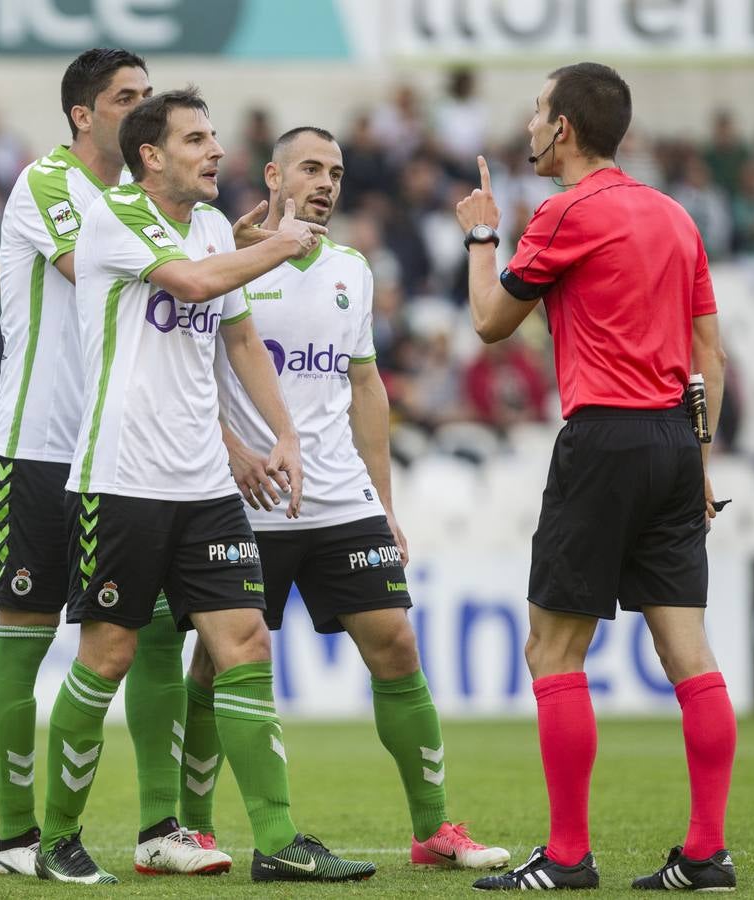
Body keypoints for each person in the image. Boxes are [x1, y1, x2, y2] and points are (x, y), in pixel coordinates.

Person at [33, 87, 376, 885]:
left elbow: (242, 334)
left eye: (215, 137)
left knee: (243, 644)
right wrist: (284, 245)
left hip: (205, 486)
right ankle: (57, 839)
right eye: (196, 139)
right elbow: (189, 285)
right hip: (120, 480)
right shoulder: (114, 217)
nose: (214, 150)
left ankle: (280, 841)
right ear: (151, 156)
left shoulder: (219, 226)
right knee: (108, 656)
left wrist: (284, 432)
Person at [178, 126, 511, 872]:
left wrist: (384, 502)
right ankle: (194, 827)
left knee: (395, 644)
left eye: (335, 171)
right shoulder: (227, 264)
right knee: (215, 663)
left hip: (339, 496)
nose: (326, 183)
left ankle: (433, 830)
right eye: (309, 168)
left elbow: (364, 386)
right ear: (273, 175)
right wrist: (231, 454)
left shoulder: (352, 269)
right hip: (247, 497)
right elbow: (184, 371)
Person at [455, 63, 735, 892]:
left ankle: (570, 857)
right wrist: (703, 465)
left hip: (605, 437)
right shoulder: (676, 216)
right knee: (690, 654)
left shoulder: (565, 212)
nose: (531, 122)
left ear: (565, 129)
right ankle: (705, 853)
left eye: (539, 110)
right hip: (677, 446)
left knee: (553, 646)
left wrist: (481, 237)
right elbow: (709, 354)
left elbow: (489, 324)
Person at [0, 48, 231, 879]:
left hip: (122, 456)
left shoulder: (150, 205)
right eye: (126, 98)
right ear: (83, 114)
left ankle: (159, 827)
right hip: (35, 448)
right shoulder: (52, 186)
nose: (142, 109)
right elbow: (109, 276)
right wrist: (225, 254)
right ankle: (19, 837)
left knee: (154, 635)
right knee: (27, 642)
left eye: (150, 96)